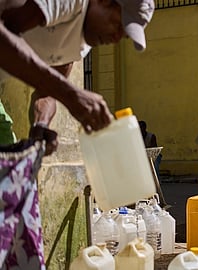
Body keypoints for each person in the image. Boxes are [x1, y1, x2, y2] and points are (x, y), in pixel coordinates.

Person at [0, 0, 154, 268]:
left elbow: (47, 92)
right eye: (118, 25)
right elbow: (4, 31)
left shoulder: (77, 46)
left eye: (124, 34)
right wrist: (71, 95)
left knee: (11, 174)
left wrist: (41, 125)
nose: (117, 38)